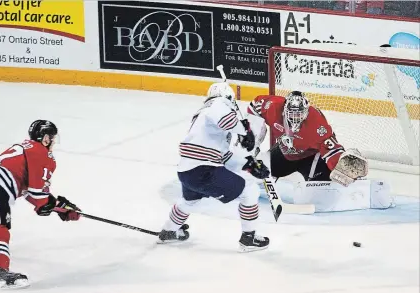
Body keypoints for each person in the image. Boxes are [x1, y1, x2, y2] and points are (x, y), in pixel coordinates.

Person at [157, 83, 271, 252]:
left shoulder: (204, 118)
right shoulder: (218, 104)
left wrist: (249, 164)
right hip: (204, 171)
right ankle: (249, 238)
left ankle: (169, 230)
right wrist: (244, 130)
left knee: (189, 201)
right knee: (250, 191)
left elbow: (223, 157)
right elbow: (227, 121)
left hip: (187, 171)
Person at [0, 120, 81, 289]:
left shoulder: (27, 149)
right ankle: (0, 272)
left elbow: (31, 193)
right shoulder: (42, 154)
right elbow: (39, 198)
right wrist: (59, 208)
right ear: (45, 138)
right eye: (52, 138)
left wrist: (59, 207)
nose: (53, 142)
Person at [246, 91, 393, 212]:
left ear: (306, 111)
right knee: (252, 171)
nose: (295, 119)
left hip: (311, 158)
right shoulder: (272, 106)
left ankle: (368, 190)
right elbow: (254, 107)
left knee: (318, 197)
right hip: (285, 154)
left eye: (299, 115)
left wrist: (338, 167)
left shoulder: (317, 124)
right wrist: (253, 139)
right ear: (285, 109)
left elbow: (331, 150)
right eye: (291, 114)